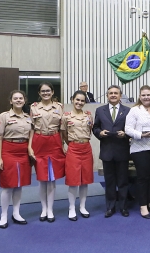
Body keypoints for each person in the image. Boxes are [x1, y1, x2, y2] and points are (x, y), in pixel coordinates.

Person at [125, 85, 150, 219]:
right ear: (139, 97)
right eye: (143, 95)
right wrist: (141, 134)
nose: (146, 97)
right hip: (140, 149)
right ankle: (143, 205)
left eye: (148, 95)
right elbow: (128, 129)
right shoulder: (134, 110)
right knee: (142, 177)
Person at [0, 90, 32, 229]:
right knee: (8, 185)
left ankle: (16, 213)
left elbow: (31, 136)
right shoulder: (4, 116)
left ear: (24, 100)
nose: (18, 100)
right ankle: (3, 215)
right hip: (8, 150)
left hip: (23, 151)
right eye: (15, 98)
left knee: (19, 184)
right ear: (11, 101)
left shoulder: (28, 117)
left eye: (21, 98)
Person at [28, 82, 66, 223]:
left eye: (48, 91)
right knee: (42, 177)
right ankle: (43, 208)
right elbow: (31, 128)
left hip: (54, 140)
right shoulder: (33, 107)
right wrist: (30, 146)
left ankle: (50, 209)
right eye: (43, 91)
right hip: (39, 140)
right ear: (39, 93)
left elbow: (62, 128)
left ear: (52, 92)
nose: (45, 93)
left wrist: (63, 144)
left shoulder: (59, 106)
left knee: (52, 178)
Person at [93, 85, 131, 218]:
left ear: (120, 96)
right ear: (107, 95)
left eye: (116, 93)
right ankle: (110, 207)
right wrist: (100, 133)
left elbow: (131, 129)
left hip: (122, 150)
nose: (113, 95)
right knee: (109, 181)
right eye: (111, 93)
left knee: (123, 181)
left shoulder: (128, 110)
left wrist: (125, 134)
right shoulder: (100, 110)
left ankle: (123, 207)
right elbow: (95, 128)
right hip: (107, 151)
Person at [61, 90, 94, 221]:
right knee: (73, 181)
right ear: (72, 99)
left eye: (82, 100)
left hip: (86, 148)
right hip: (73, 148)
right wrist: (69, 144)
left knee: (85, 181)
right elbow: (63, 134)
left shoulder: (89, 116)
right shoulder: (66, 116)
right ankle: (71, 208)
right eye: (77, 100)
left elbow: (90, 130)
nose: (79, 102)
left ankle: (82, 207)